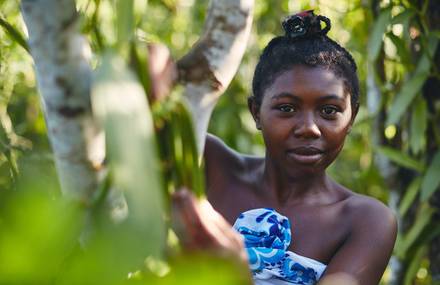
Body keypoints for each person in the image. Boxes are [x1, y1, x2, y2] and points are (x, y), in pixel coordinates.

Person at [171, 10, 397, 285]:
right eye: (287, 108)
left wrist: (235, 271)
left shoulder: (364, 221)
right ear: (256, 112)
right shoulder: (210, 165)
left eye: (329, 110)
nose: (309, 128)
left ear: (351, 118)